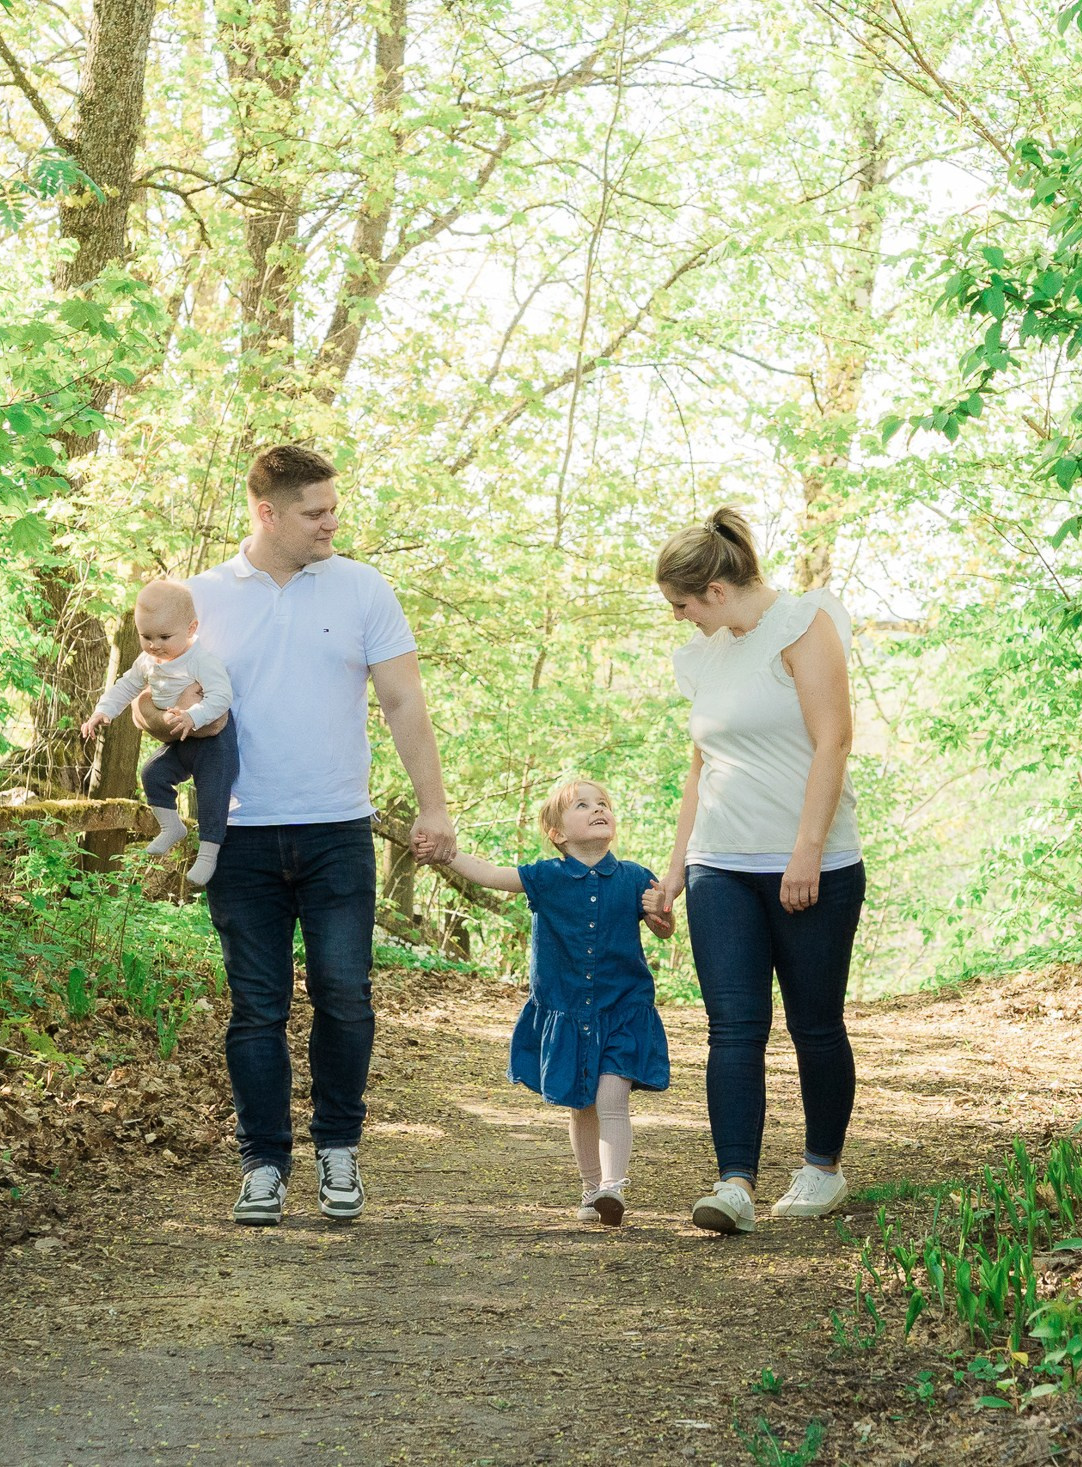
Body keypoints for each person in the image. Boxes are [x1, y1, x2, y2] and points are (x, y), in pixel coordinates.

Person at [130, 444, 456, 1227]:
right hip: (238, 833)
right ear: (267, 513)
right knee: (256, 1006)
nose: (331, 522)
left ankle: (338, 1148)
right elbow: (152, 700)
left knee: (345, 994)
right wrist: (155, 717)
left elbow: (404, 703)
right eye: (316, 511)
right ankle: (263, 1163)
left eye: (333, 507)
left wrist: (433, 806)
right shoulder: (199, 597)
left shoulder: (363, 588)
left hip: (337, 829)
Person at [650, 507, 864, 1235]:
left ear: (712, 589)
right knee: (732, 1027)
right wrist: (677, 867)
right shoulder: (707, 654)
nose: (679, 618)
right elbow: (699, 767)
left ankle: (822, 1168)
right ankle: (734, 1183)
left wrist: (807, 848)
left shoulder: (803, 624)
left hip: (813, 865)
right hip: (721, 865)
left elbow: (834, 740)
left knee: (814, 1023)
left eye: (681, 604)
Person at [449, 778, 673, 1225]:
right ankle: (591, 1187)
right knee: (581, 1102)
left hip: (622, 1009)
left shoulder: (634, 877)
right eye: (583, 805)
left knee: (612, 1097)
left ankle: (613, 1186)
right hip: (568, 1011)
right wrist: (446, 853)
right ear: (557, 833)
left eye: (604, 804)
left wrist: (660, 911)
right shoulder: (546, 877)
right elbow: (492, 875)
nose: (598, 809)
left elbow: (662, 929)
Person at [80, 579, 236, 886]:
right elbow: (126, 686)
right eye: (146, 636)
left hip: (213, 742)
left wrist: (194, 715)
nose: (155, 644)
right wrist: (103, 711)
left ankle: (207, 854)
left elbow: (222, 696)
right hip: (178, 738)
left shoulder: (202, 660)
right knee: (153, 772)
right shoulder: (148, 661)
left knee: (212, 792)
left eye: (164, 636)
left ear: (191, 629)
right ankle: (171, 826)